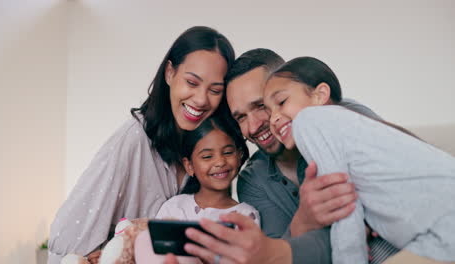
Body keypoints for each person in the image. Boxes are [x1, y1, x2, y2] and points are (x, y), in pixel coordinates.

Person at [164, 49, 398, 264]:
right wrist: (305, 218)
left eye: (260, 105)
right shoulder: (254, 180)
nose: (254, 126)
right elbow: (277, 255)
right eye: (241, 117)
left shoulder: (339, 115)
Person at [47, 26, 235, 264]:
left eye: (215, 90)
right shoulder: (133, 139)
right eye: (191, 82)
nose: (200, 99)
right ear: (169, 73)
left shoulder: (207, 153)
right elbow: (68, 238)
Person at [263, 56, 455, 263]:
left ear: (320, 95)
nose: (273, 118)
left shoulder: (308, 121)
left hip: (442, 227)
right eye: (269, 111)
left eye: (281, 102)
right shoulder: (352, 127)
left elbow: (344, 208)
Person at [134, 115, 260, 263]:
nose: (220, 162)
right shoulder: (175, 207)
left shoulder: (246, 216)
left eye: (227, 152)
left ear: (239, 155)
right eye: (207, 156)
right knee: (144, 240)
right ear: (189, 166)